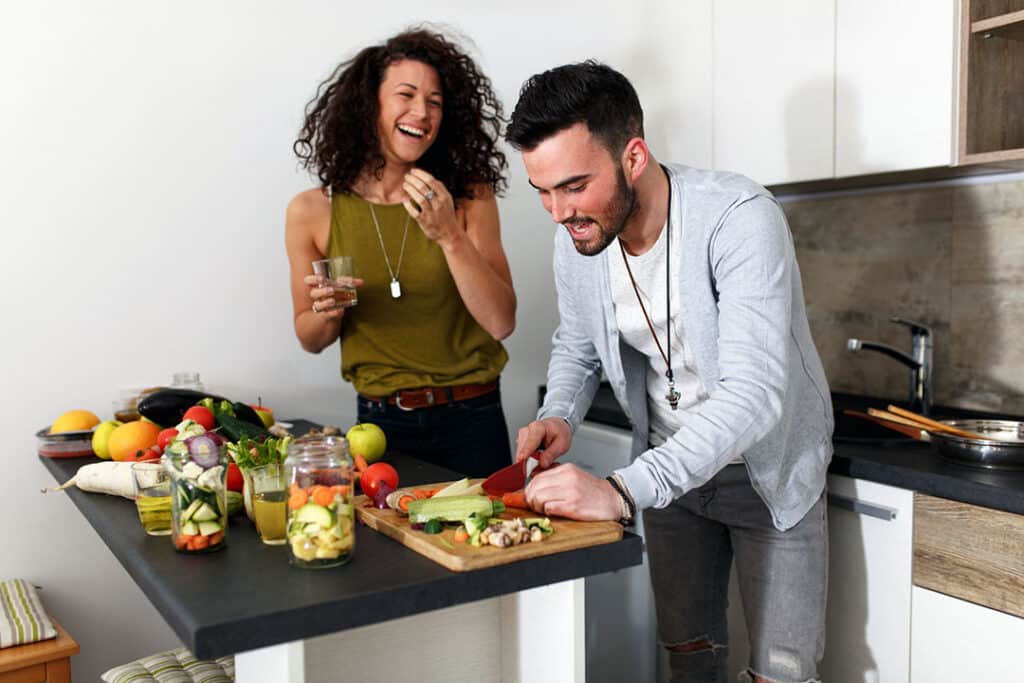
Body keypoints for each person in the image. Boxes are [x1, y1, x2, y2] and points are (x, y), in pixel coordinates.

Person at [506, 61, 833, 683]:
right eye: (542, 191)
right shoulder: (580, 236)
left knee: (782, 674)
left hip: (768, 471)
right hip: (672, 476)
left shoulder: (738, 217)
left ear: (633, 156)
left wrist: (625, 490)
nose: (556, 212)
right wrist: (558, 414)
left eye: (573, 186)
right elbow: (577, 343)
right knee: (688, 659)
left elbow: (756, 394)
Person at [286, 28, 516, 478]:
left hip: (474, 417)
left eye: (435, 102)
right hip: (381, 425)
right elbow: (309, 338)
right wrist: (329, 312)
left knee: (482, 545)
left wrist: (449, 234)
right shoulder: (314, 210)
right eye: (406, 95)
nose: (422, 112)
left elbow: (501, 321)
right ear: (369, 105)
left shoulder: (468, 198)